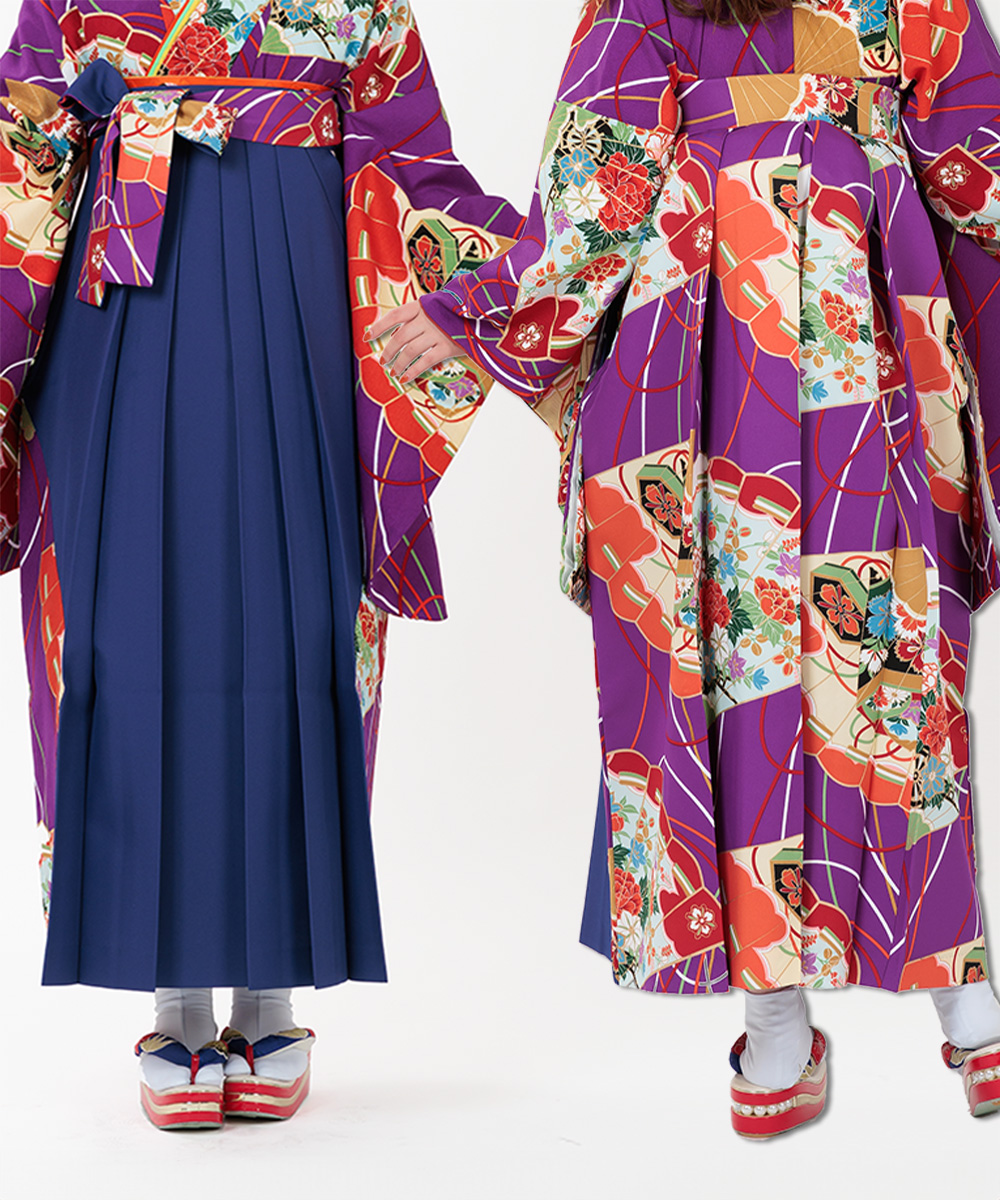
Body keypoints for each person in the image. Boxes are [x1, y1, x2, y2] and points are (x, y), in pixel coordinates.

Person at [372, 0, 1000, 1136]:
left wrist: (484, 305)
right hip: (827, 316)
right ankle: (932, 1014)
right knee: (861, 647)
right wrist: (471, 307)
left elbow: (598, 195)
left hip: (737, 332)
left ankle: (827, 1020)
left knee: (770, 651)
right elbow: (975, 163)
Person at [0, 0, 521, 1130]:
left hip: (302, 288)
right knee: (128, 626)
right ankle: (175, 998)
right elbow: (23, 132)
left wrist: (492, 286)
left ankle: (271, 990)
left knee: (298, 618)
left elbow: (416, 158)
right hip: (118, 295)